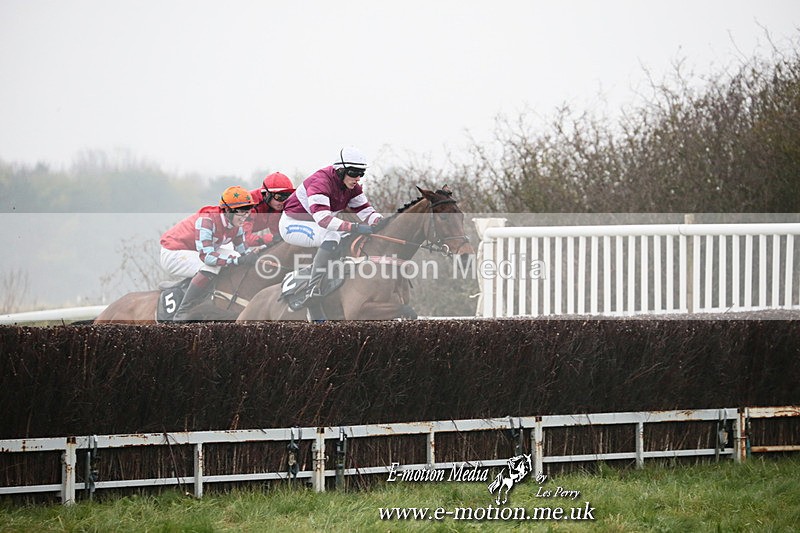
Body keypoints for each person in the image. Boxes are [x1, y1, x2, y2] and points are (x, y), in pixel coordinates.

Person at [279, 147, 383, 304]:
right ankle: (311, 289)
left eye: (361, 173)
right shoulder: (320, 183)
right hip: (293, 224)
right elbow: (323, 220)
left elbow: (367, 213)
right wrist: (355, 226)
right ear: (340, 171)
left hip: (319, 224)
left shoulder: (352, 187)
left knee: (348, 237)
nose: (358, 178)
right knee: (332, 235)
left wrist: (384, 222)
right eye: (354, 173)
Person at [160, 185, 261, 321]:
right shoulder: (207, 219)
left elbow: (243, 254)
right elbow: (207, 257)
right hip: (173, 252)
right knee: (210, 265)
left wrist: (258, 257)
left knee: (235, 256)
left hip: (195, 251)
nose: (245, 217)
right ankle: (183, 311)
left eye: (247, 211)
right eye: (241, 212)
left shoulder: (237, 226)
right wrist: (237, 261)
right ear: (227, 211)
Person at [243, 172, 295, 247]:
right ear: (267, 194)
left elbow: (277, 233)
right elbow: (244, 239)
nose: (283, 202)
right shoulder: (250, 204)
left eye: (287, 197)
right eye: (279, 197)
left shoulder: (277, 205)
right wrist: (269, 239)